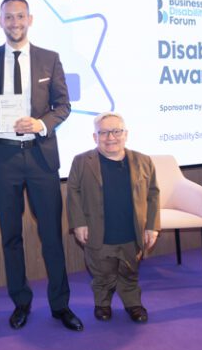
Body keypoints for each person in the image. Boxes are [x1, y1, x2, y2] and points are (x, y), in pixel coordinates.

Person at [0, 0, 83, 331]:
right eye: (8, 17)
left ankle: (60, 305)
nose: (15, 23)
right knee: (11, 237)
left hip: (40, 158)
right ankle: (20, 303)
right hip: (4, 158)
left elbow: (63, 105)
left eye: (20, 16)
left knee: (51, 234)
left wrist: (40, 124)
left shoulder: (49, 59)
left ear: (30, 19)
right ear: (0, 21)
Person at [66, 112, 160, 323]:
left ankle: (133, 304)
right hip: (98, 231)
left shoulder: (144, 161)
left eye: (116, 131)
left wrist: (152, 226)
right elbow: (73, 192)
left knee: (130, 271)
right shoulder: (81, 161)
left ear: (125, 134)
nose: (110, 138)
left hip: (131, 230)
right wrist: (78, 223)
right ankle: (103, 304)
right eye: (104, 133)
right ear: (95, 137)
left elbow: (153, 194)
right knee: (102, 273)